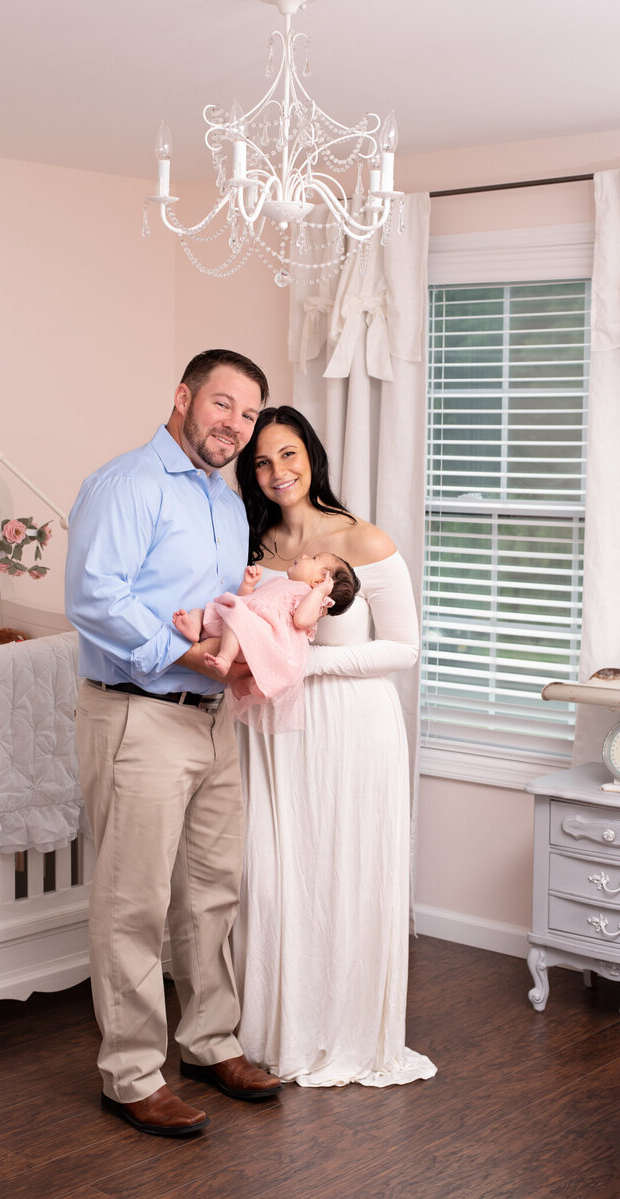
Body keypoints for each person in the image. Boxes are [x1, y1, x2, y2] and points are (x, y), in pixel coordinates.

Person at [64, 349, 283, 1139]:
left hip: (214, 716)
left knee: (212, 889)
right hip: (139, 714)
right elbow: (94, 596)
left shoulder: (226, 504)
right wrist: (186, 653)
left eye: (250, 413)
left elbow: (220, 609)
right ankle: (129, 1073)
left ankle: (210, 1041)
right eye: (223, 404)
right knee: (134, 901)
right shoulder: (128, 483)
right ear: (185, 397)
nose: (235, 424)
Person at [231, 404, 437, 1088]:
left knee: (343, 873)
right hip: (271, 731)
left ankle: (345, 1030)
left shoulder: (364, 540)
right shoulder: (254, 547)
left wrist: (304, 666)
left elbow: (404, 647)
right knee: (275, 876)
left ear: (311, 455)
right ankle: (277, 1029)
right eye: (261, 461)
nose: (276, 471)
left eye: (287, 454)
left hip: (352, 727)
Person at [173, 553, 358, 732]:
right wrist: (247, 585)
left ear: (319, 581)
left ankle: (225, 658)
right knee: (205, 610)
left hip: (255, 640)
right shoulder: (280, 583)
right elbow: (244, 601)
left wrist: (318, 593)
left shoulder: (311, 599)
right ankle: (193, 629)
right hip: (231, 624)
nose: (304, 556)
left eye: (314, 558)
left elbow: (301, 621)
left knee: (238, 617)